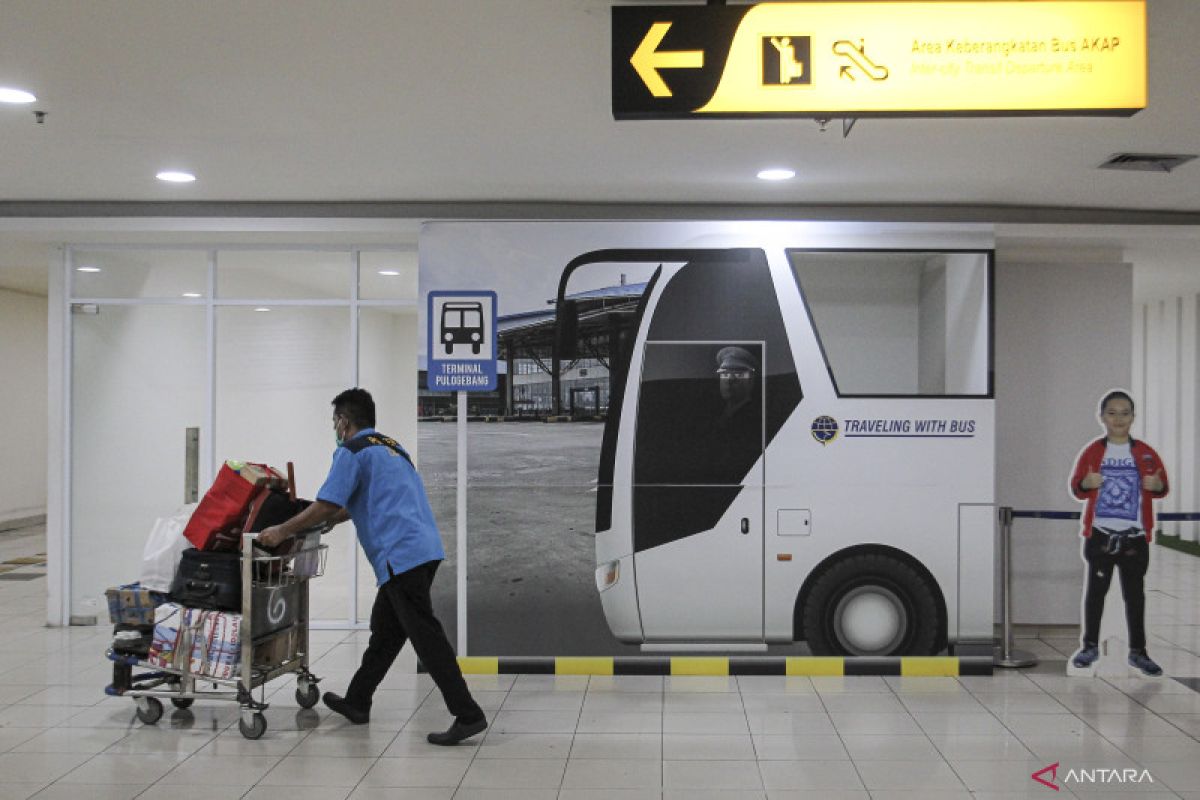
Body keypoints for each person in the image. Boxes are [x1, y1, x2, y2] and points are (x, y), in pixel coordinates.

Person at [259, 388, 487, 744]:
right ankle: (358, 701)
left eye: (335, 421)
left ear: (344, 422)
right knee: (386, 632)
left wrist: (282, 529)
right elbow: (373, 498)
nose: (334, 427)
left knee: (426, 638)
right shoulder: (391, 447)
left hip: (400, 556)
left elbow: (324, 504)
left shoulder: (350, 452)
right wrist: (339, 517)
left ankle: (468, 714)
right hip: (424, 549)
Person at [1068, 390, 1168, 677]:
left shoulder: (1146, 453)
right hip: (1100, 535)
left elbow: (1162, 486)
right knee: (1095, 594)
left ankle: (1139, 652)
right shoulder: (1093, 451)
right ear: (1102, 417)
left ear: (1133, 417)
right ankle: (1089, 646)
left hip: (1135, 538)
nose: (1119, 418)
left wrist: (1156, 486)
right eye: (1112, 413)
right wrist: (1086, 483)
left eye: (1125, 413)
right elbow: (1077, 487)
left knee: (1135, 596)